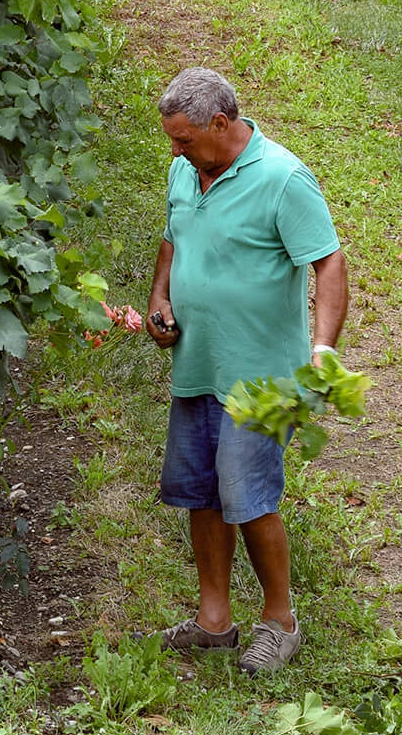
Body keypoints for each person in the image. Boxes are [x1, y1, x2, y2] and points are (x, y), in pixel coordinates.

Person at [144, 67, 347, 674]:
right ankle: (214, 622)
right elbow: (174, 240)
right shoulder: (186, 171)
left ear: (220, 123)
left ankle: (281, 622)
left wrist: (323, 350)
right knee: (201, 494)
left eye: (183, 139)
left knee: (248, 497)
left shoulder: (283, 178)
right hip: (198, 364)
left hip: (262, 377)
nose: (174, 152)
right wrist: (160, 297)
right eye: (171, 139)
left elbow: (329, 263)